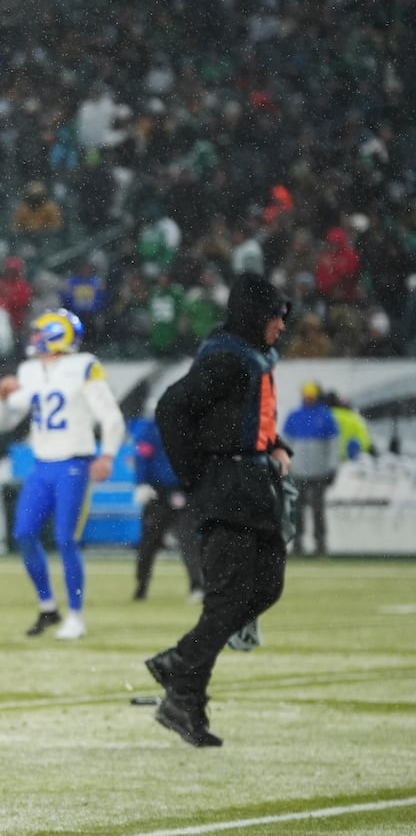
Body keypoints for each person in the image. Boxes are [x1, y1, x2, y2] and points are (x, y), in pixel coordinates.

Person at [146, 273, 294, 747]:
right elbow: (172, 408)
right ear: (257, 317)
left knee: (266, 586)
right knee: (230, 598)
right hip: (228, 487)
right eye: (276, 317)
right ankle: (184, 697)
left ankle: (180, 667)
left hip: (251, 485)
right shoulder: (229, 359)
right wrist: (196, 475)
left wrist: (274, 445)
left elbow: (241, 420)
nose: (281, 327)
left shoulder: (242, 355)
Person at [0, 309, 126, 640]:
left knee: (66, 539)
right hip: (42, 464)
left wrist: (107, 454)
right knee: (23, 534)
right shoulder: (29, 370)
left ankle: (76, 617)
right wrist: (1, 397)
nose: (34, 338)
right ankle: (48, 607)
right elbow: (1, 423)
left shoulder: (83, 365)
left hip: (74, 463)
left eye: (41, 333)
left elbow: (110, 416)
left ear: (57, 335)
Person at [130, 416, 203, 602]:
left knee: (187, 540)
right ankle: (142, 586)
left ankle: (197, 585)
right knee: (151, 541)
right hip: (159, 492)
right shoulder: (152, 429)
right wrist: (141, 483)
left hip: (181, 491)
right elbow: (142, 456)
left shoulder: (191, 428)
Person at [280, 381, 338, 557]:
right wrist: (285, 465)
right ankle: (298, 544)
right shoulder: (294, 416)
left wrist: (332, 467)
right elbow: (286, 444)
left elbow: (333, 445)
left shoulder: (326, 416)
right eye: (307, 395)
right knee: (297, 510)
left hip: (319, 472)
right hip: (298, 471)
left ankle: (320, 544)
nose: (309, 398)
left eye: (311, 395)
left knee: (318, 510)